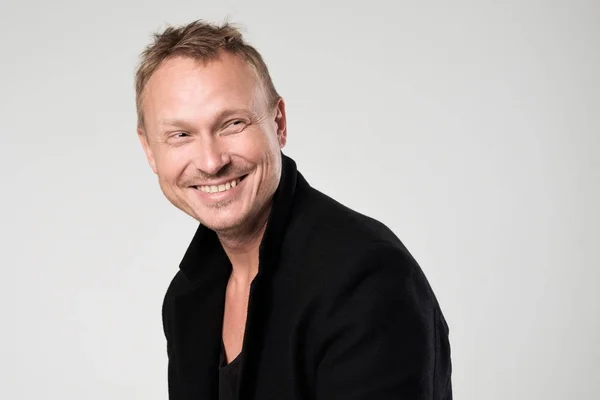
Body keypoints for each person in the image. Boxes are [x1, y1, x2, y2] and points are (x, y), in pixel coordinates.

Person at [134, 19, 452, 400]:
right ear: (150, 151)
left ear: (279, 123)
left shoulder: (366, 279)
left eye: (232, 123)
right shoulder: (186, 297)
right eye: (181, 135)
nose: (211, 161)